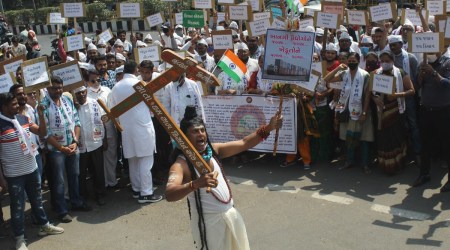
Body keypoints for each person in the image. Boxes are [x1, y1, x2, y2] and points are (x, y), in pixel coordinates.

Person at [165, 106, 283, 250]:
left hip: (231, 216)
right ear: (184, 137)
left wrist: (269, 127)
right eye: (195, 131)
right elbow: (170, 193)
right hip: (209, 224)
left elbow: (244, 143)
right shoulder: (181, 164)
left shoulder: (213, 150)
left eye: (202, 130)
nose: (200, 134)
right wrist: (195, 184)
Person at [0, 93, 64, 250]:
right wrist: (1, 179)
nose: (18, 106)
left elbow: (42, 132)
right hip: (14, 174)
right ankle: (20, 238)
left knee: (37, 200)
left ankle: (44, 225)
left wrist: (41, 115)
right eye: (14, 104)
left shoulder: (23, 119)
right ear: (4, 107)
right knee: (17, 207)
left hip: (32, 169)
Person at [110, 60, 162, 203]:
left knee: (133, 161)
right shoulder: (140, 86)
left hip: (126, 130)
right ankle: (146, 193)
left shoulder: (116, 87)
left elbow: (113, 109)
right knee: (145, 161)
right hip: (143, 129)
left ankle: (136, 189)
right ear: (136, 70)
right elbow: (153, 105)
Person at [41, 76, 92, 223]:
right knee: (59, 181)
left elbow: (76, 121)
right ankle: (61, 210)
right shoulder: (43, 105)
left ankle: (76, 202)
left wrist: (75, 141)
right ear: (48, 89)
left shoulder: (67, 100)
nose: (57, 90)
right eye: (54, 88)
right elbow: (46, 133)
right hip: (56, 150)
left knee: (74, 175)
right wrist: (61, 148)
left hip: (72, 146)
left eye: (59, 87)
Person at [324, 52, 374, 173]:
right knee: (349, 138)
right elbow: (326, 80)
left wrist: (364, 113)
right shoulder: (343, 74)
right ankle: (349, 161)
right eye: (349, 61)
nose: (351, 63)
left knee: (363, 139)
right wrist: (337, 68)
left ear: (358, 61)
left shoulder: (365, 75)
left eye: (353, 61)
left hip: (361, 110)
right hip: (346, 110)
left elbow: (367, 96)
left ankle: (365, 164)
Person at [412, 50, 450, 191]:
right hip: (426, 109)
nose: (431, 53)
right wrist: (421, 77)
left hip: (444, 110)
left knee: (447, 145)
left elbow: (447, 84)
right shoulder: (422, 64)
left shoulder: (447, 63)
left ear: (440, 50)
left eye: (433, 50)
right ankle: (424, 174)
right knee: (425, 145)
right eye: (428, 51)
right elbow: (417, 86)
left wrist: (434, 74)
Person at [372, 51, 415, 174]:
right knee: (383, 139)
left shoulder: (400, 73)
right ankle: (385, 165)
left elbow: (412, 91)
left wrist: (397, 95)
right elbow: (371, 92)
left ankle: (397, 164)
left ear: (393, 61)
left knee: (396, 137)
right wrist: (375, 99)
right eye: (382, 61)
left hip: (396, 111)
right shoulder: (376, 74)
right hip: (381, 113)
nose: (385, 63)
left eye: (387, 61)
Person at [139, 60, 172, 184]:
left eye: (147, 72)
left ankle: (168, 168)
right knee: (153, 146)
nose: (144, 75)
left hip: (162, 116)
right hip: (147, 118)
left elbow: (168, 96)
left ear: (152, 70)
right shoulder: (137, 81)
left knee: (165, 143)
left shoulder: (161, 79)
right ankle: (156, 171)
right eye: (142, 72)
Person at [74, 86, 107, 205]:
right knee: (81, 173)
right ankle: (83, 196)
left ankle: (100, 194)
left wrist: (105, 140)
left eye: (83, 92)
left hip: (95, 143)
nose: (81, 94)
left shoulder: (95, 103)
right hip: (81, 146)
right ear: (75, 95)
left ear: (86, 92)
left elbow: (103, 120)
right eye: (78, 93)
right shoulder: (73, 107)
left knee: (98, 171)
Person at [86, 69, 119, 189]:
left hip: (109, 128)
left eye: (98, 79)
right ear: (87, 81)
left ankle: (112, 181)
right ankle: (102, 184)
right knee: (97, 160)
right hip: (94, 132)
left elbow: (113, 108)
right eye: (92, 80)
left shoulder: (107, 91)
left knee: (111, 156)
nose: (96, 82)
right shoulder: (85, 94)